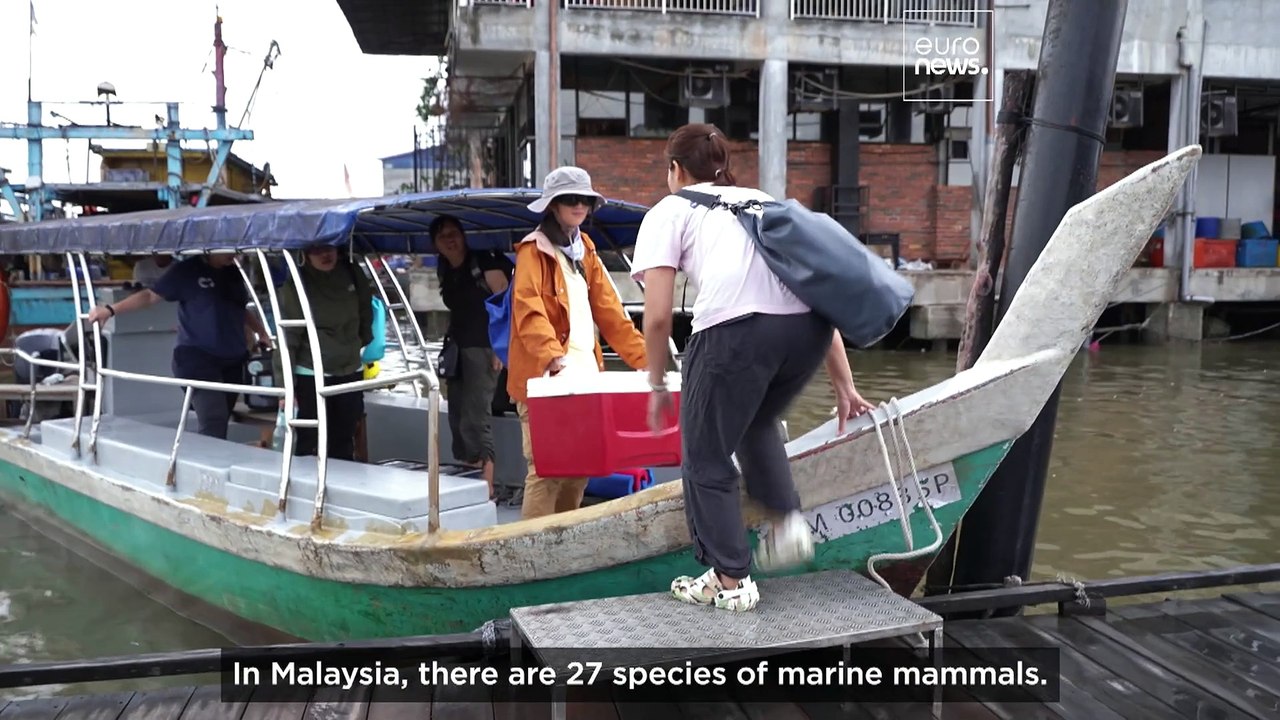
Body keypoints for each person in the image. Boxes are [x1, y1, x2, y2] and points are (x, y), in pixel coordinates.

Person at [629, 124, 875, 612]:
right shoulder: (763, 201)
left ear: (675, 170)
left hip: (735, 333)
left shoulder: (669, 210)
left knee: (704, 456)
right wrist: (844, 384)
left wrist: (656, 381)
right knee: (756, 421)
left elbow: (656, 317)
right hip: (807, 332)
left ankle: (731, 580)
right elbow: (815, 291)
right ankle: (787, 523)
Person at [506, 166, 648, 519]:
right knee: (546, 471)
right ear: (552, 205)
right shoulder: (532, 251)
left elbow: (610, 312)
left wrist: (646, 359)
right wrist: (553, 358)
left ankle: (562, 544)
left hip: (585, 380)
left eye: (584, 199)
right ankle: (531, 552)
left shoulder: (584, 247)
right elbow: (528, 311)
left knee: (579, 467)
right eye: (570, 199)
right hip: (545, 381)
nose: (579, 205)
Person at [86, 253, 271, 439]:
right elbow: (150, 296)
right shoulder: (188, 270)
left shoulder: (233, 273)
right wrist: (110, 311)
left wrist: (261, 332)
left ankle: (211, 460)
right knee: (214, 419)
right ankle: (206, 465)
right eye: (229, 250)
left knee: (221, 420)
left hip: (232, 359)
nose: (235, 254)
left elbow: (239, 308)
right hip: (198, 358)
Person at [431, 214, 513, 499]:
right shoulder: (446, 270)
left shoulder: (484, 263)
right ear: (436, 244)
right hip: (458, 348)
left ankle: (486, 487)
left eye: (454, 233)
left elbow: (506, 304)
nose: (450, 240)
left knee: (477, 417)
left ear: (464, 235)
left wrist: (502, 349)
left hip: (484, 348)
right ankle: (469, 477)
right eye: (443, 236)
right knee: (456, 416)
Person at [272, 243, 374, 462]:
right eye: (316, 250)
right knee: (309, 439)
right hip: (311, 371)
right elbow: (288, 336)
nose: (325, 255)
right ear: (306, 254)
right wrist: (285, 387)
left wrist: (356, 344)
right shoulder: (296, 285)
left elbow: (366, 312)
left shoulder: (352, 272)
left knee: (345, 436)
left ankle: (343, 482)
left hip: (350, 367)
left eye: (329, 248)